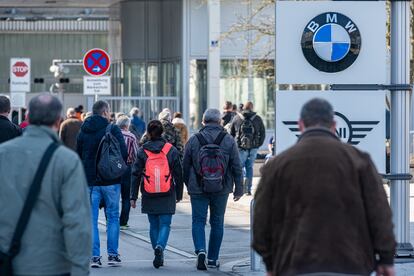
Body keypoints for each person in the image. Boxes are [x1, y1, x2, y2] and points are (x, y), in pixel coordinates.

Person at [253, 98, 396, 276]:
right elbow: (379, 213)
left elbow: (261, 220)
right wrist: (386, 259)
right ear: (334, 125)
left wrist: (271, 263)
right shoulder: (359, 160)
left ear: (300, 124)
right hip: (351, 263)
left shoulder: (278, 165)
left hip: (294, 265)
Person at [0, 94, 91, 276]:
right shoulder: (67, 161)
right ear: (58, 121)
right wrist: (80, 269)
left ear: (27, 117)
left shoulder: (3, 154)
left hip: (6, 260)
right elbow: (76, 222)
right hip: (50, 264)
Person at [183, 108, 243, 270]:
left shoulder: (194, 140)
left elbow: (185, 165)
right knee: (217, 222)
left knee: (198, 221)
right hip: (221, 188)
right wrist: (239, 189)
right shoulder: (228, 140)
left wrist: (189, 185)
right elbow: (237, 165)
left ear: (203, 121)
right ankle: (212, 258)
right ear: (220, 122)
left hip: (198, 188)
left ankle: (201, 250)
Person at [77, 100, 128, 268]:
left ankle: (94, 257)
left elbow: (77, 155)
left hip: (90, 181)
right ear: (105, 112)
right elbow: (123, 153)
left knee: (91, 219)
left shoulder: (83, 129)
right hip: (111, 181)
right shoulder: (112, 129)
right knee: (113, 217)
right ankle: (113, 255)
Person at [131, 120, 183, 269]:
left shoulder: (143, 150)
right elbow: (178, 173)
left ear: (148, 133)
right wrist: (179, 194)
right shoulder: (170, 150)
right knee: (165, 224)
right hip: (167, 192)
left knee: (153, 225)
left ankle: (156, 250)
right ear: (162, 132)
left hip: (149, 192)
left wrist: (133, 197)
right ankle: (160, 247)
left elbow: (135, 174)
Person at [230, 101, 266, 195]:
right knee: (249, 167)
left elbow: (231, 133)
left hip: (240, 148)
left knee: (240, 168)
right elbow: (263, 133)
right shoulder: (257, 119)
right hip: (253, 148)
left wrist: (235, 144)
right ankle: (248, 190)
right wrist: (258, 144)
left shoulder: (237, 118)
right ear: (252, 108)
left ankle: (240, 188)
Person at [116, 115, 139, 230]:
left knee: (113, 195)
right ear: (127, 125)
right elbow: (136, 154)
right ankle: (123, 222)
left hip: (113, 168)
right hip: (126, 168)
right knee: (126, 196)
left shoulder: (112, 135)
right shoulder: (131, 137)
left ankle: (111, 219)